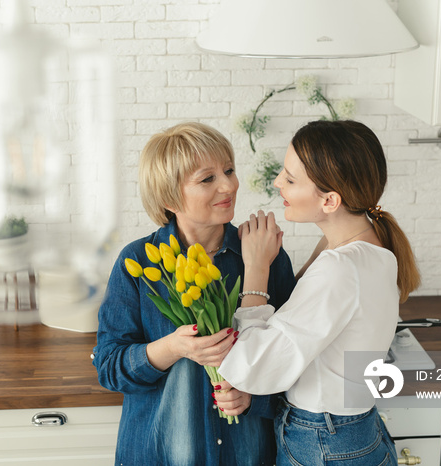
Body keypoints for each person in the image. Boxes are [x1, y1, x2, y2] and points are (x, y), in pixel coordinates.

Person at [215, 120, 421, 466]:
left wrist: (256, 268)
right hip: (356, 432)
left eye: (291, 179)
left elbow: (253, 366)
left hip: (324, 442)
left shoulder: (340, 267)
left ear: (330, 200)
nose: (278, 182)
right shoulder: (368, 243)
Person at [92, 122, 296, 466]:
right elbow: (110, 367)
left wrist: (252, 395)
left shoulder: (264, 256)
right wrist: (172, 347)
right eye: (208, 179)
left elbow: (295, 357)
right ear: (170, 196)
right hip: (159, 454)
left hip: (244, 454)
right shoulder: (138, 262)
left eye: (229, 170)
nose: (229, 185)